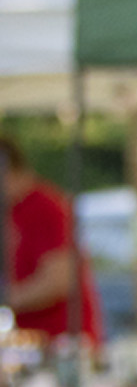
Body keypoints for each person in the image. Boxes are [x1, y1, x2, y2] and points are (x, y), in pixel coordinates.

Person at [0, 135, 103, 346]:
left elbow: (59, 280)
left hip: (61, 342)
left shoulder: (45, 207)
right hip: (27, 342)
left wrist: (7, 299)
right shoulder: (12, 210)